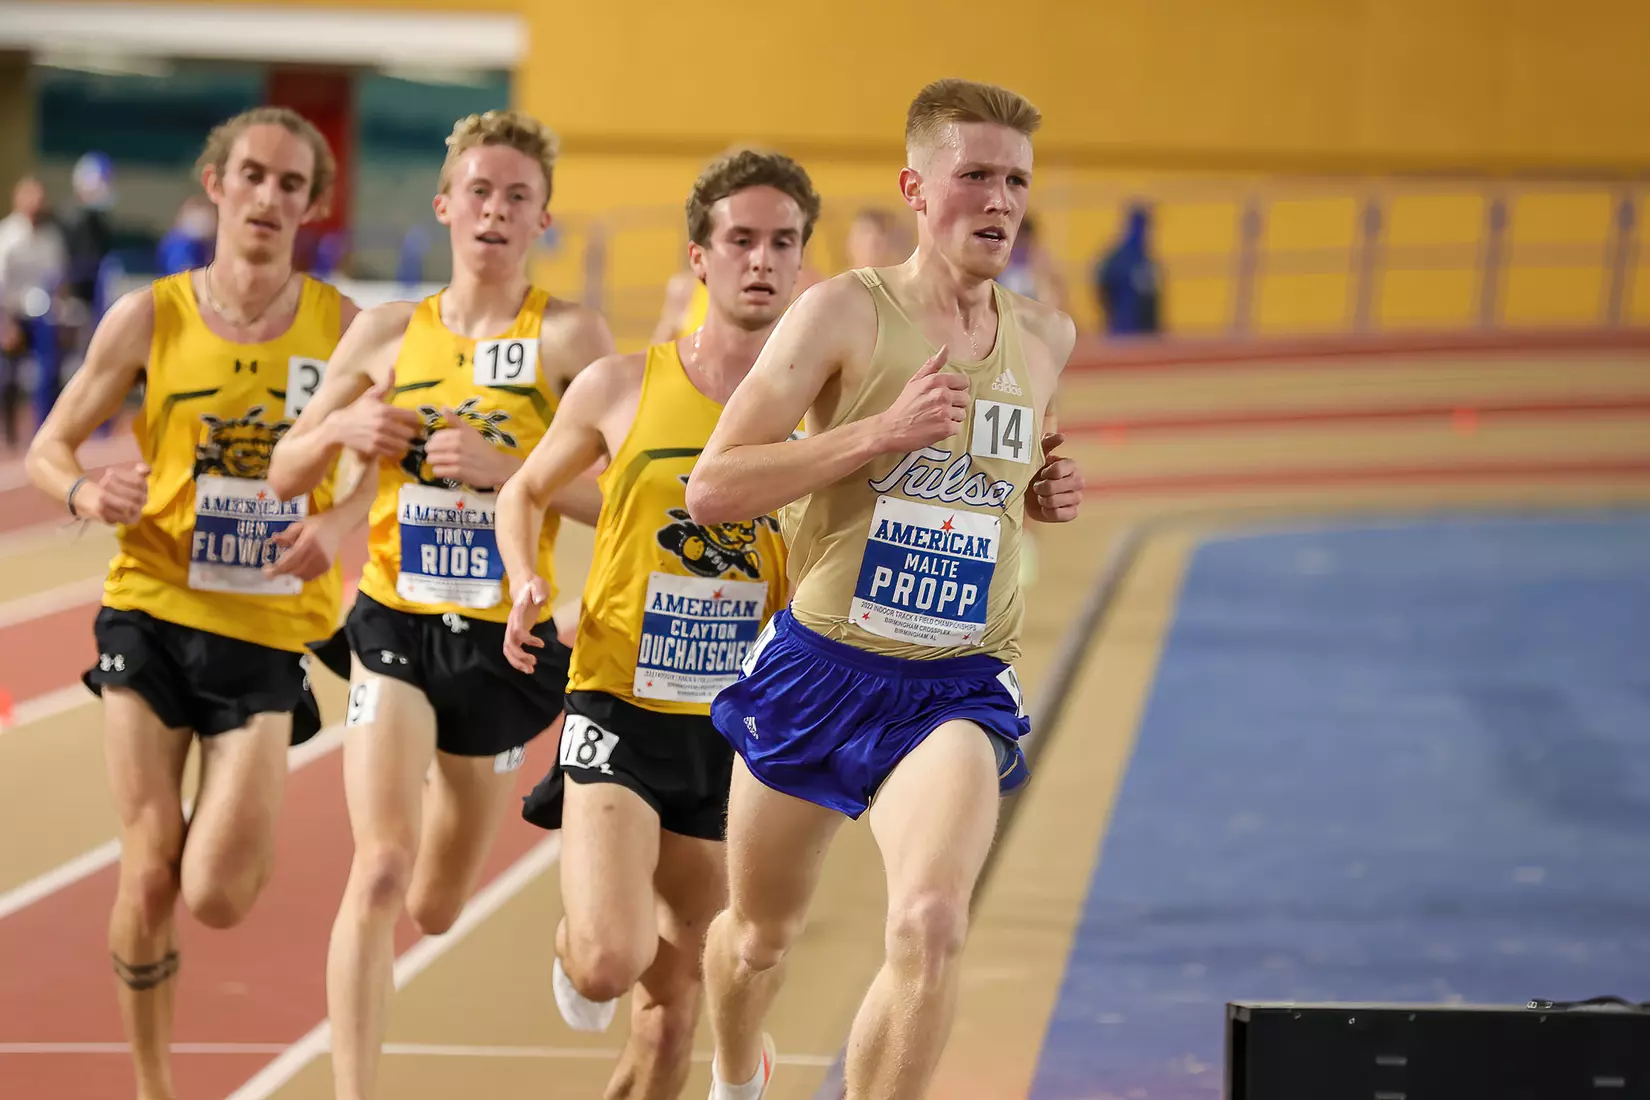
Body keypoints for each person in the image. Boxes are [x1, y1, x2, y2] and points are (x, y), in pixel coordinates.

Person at [684, 78, 1087, 1100]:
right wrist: (874, 432)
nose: (999, 201)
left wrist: (1041, 488)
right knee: (760, 934)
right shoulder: (842, 313)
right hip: (820, 665)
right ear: (917, 187)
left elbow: (1003, 470)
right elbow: (714, 486)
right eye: (975, 177)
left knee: (930, 922)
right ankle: (736, 1067)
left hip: (950, 682)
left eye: (1016, 181)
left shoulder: (1046, 339)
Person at [266, 109, 615, 1100]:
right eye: (479, 192)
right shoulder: (386, 332)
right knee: (377, 868)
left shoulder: (567, 337)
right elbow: (286, 466)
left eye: (516, 197)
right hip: (393, 626)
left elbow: (631, 500)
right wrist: (343, 424)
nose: (495, 211)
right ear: (445, 205)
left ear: (542, 218)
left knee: (436, 900)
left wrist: (520, 473)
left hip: (502, 646)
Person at [24, 107, 364, 1100]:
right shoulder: (149, 315)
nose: (267, 197)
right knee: (147, 865)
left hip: (264, 627)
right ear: (216, 184)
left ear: (312, 206)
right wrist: (88, 490)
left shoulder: (341, 326)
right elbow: (50, 445)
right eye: (251, 175)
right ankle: (153, 1082)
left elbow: (393, 461)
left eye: (289, 184)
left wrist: (338, 526)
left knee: (214, 892)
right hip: (152, 604)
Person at [499, 148, 817, 1099]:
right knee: (607, 962)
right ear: (699, 257)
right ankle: (575, 943)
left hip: (740, 729)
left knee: (677, 1013)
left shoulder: (826, 411)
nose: (761, 260)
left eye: (783, 243)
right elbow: (523, 490)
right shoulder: (619, 386)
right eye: (741, 240)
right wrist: (524, 581)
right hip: (619, 703)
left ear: (804, 265)